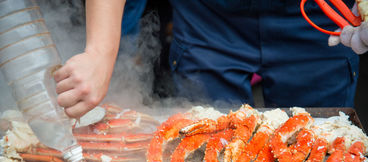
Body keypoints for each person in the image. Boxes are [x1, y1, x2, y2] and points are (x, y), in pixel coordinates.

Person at [54, 0, 368, 119]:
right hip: (210, 16)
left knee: (321, 144)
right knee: (205, 144)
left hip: (320, 16)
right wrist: (100, 51)